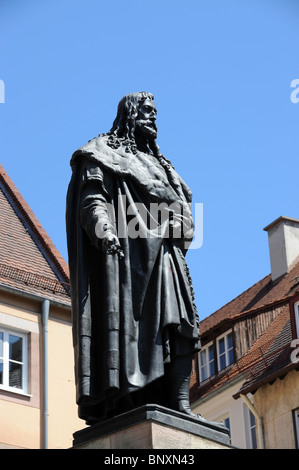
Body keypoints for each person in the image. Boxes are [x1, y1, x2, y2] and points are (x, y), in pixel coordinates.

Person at [66, 92, 200, 424]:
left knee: (182, 323)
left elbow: (185, 211)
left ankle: (181, 401)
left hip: (167, 257)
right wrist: (104, 230)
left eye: (155, 114)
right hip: (127, 261)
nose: (153, 119)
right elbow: (92, 199)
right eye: (147, 113)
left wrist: (179, 225)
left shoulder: (164, 165)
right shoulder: (101, 153)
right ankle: (131, 400)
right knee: (134, 331)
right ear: (129, 114)